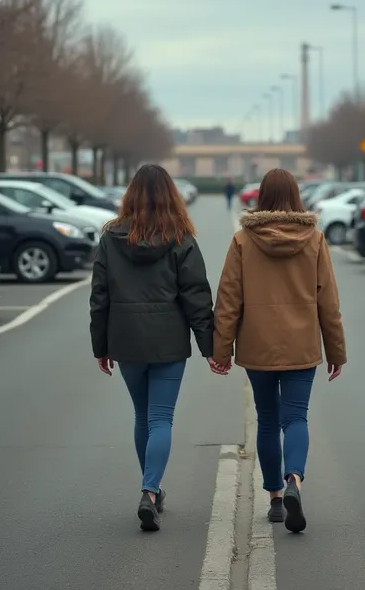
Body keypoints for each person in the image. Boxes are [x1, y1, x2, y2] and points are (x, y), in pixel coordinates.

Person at [89, 164, 225, 532]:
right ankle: (149, 491)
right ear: (172, 197)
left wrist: (100, 345)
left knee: (142, 416)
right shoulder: (181, 238)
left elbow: (99, 296)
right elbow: (197, 296)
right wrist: (210, 346)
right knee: (161, 418)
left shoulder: (111, 238)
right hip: (167, 340)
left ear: (130, 195)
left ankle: (152, 489)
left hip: (126, 338)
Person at [212, 168, 346, 533]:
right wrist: (336, 351)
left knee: (267, 420)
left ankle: (274, 499)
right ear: (296, 196)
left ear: (262, 197)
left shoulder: (243, 240)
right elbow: (327, 301)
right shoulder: (315, 239)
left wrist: (220, 351)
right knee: (296, 418)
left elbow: (228, 300)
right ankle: (294, 482)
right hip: (302, 343)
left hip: (258, 344)